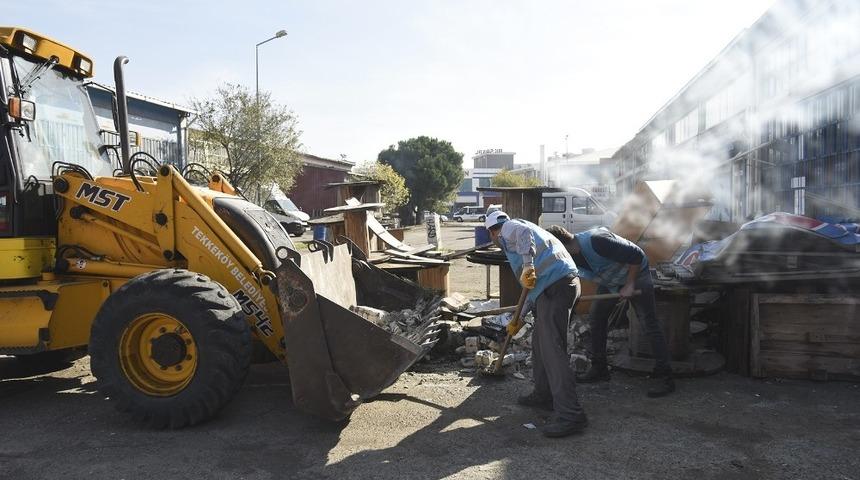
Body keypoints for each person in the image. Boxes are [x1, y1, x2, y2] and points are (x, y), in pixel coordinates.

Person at [485, 211, 588, 437]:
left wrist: (528, 265)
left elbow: (523, 234)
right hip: (556, 287)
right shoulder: (527, 237)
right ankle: (544, 394)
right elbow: (531, 292)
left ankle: (571, 415)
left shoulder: (509, 228)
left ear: (492, 231)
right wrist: (517, 320)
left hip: (557, 287)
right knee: (540, 345)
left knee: (553, 351)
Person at [546, 225, 675, 397]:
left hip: (637, 276)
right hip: (611, 282)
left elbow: (636, 256)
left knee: (648, 324)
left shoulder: (598, 241)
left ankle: (665, 376)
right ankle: (600, 368)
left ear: (562, 244)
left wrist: (629, 284)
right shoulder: (573, 256)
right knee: (596, 319)